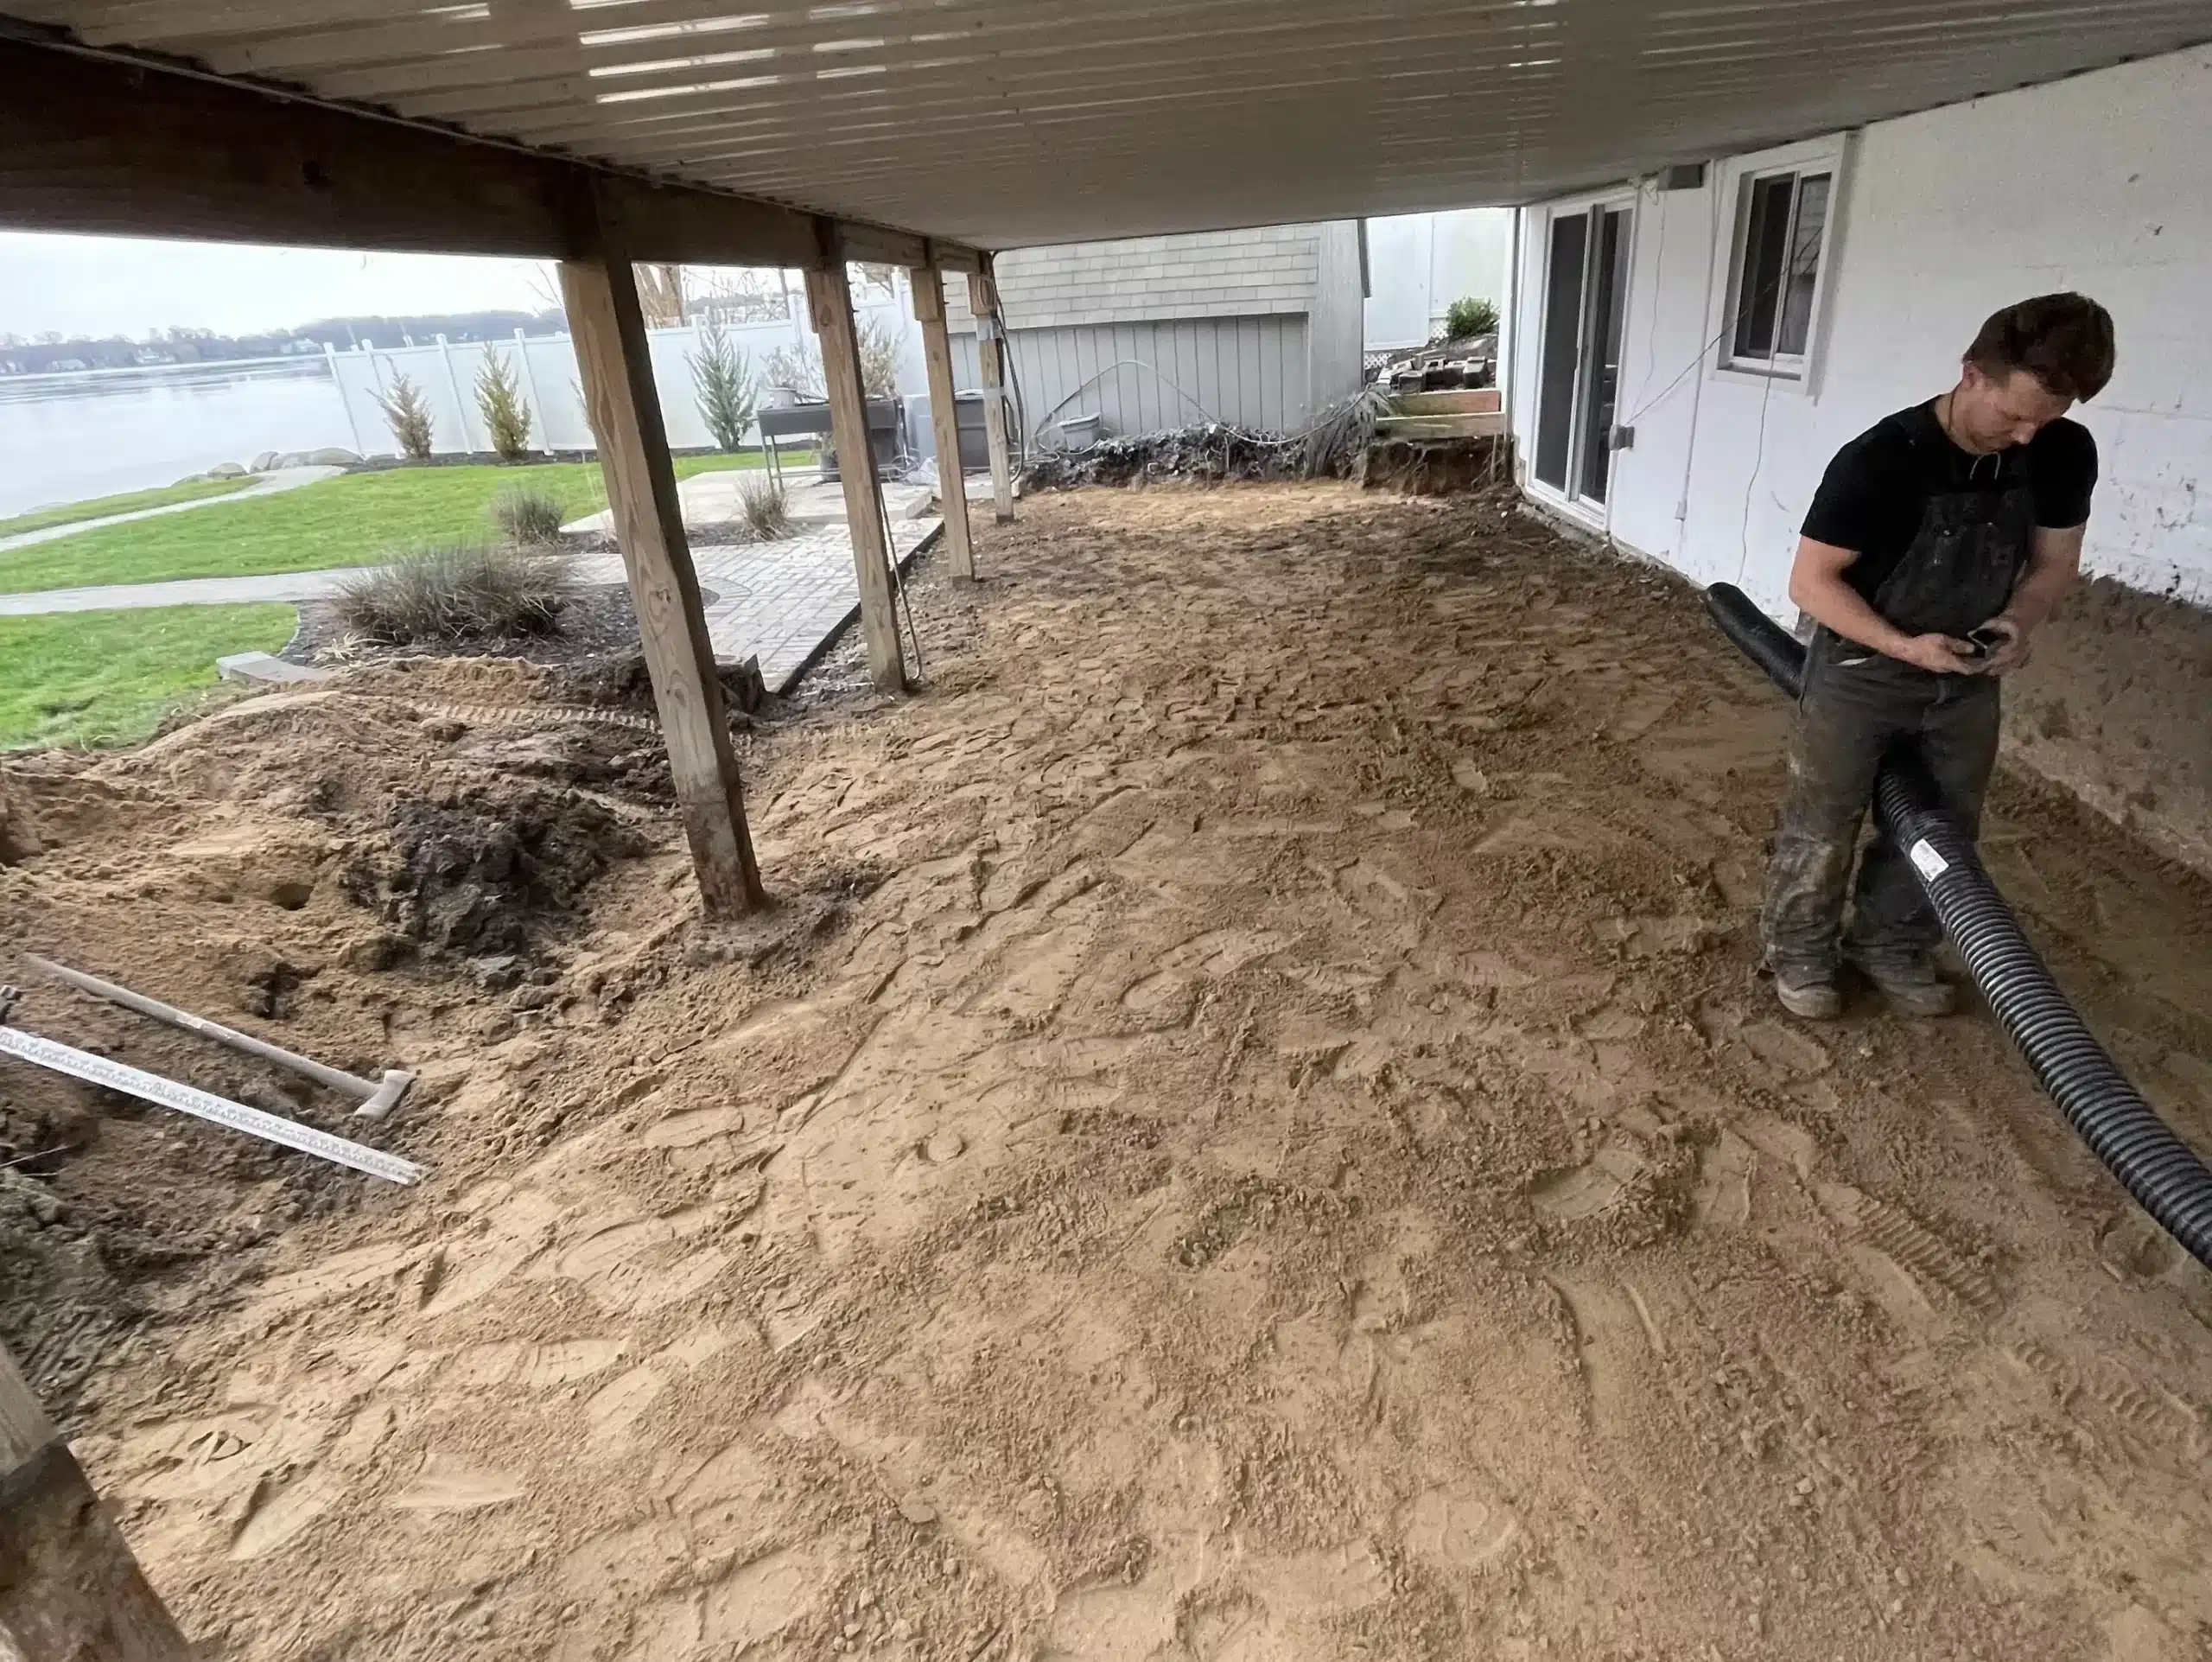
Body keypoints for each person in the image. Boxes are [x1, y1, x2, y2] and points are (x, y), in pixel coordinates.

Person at [1764, 292, 2115, 1020]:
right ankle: (1800, 949)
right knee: (1824, 818)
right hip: (1865, 670)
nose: (2024, 437)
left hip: (1966, 675)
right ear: (1971, 375)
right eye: (2011, 414)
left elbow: (2056, 562)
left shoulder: (2061, 453)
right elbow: (1810, 582)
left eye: (2045, 419)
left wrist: (2020, 619)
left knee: (1941, 824)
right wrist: (1901, 644)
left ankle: (1891, 943)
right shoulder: (1883, 460)